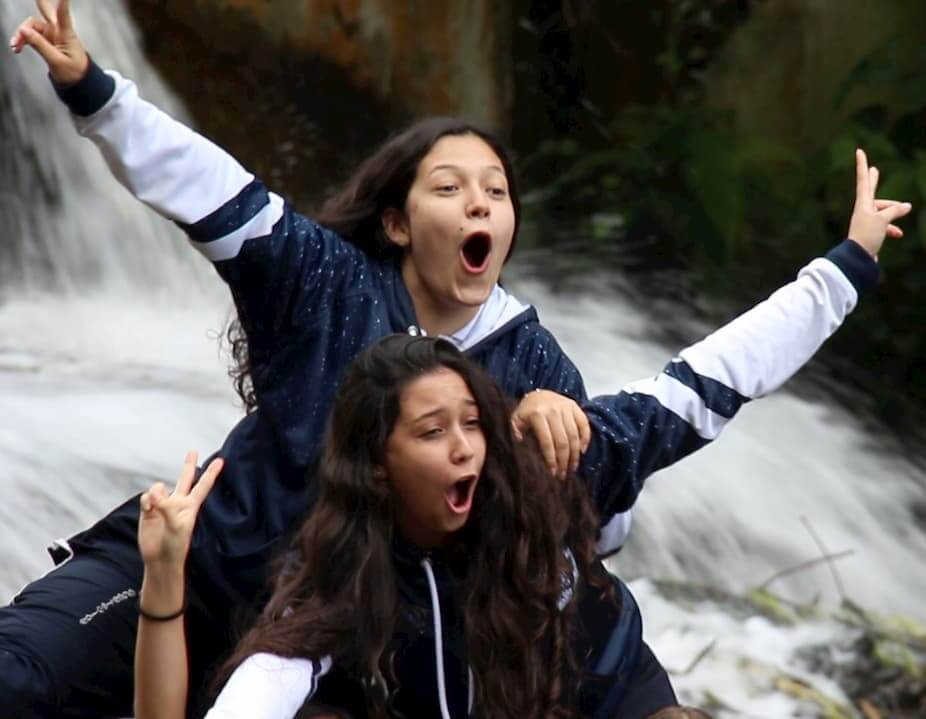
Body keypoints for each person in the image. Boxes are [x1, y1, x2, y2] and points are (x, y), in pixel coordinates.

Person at [4, 1, 911, 716]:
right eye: (449, 186)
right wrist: (94, 92)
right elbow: (216, 192)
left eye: (497, 190)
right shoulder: (326, 280)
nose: (480, 202)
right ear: (399, 221)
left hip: (337, 640)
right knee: (21, 676)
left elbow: (688, 399)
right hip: (197, 568)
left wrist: (844, 269)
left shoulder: (538, 373)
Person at [132, 335, 692, 718]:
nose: (463, 448)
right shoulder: (340, 577)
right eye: (432, 432)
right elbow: (255, 693)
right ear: (377, 462)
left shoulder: (536, 472)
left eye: (473, 424)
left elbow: (705, 385)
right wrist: (162, 574)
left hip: (617, 693)